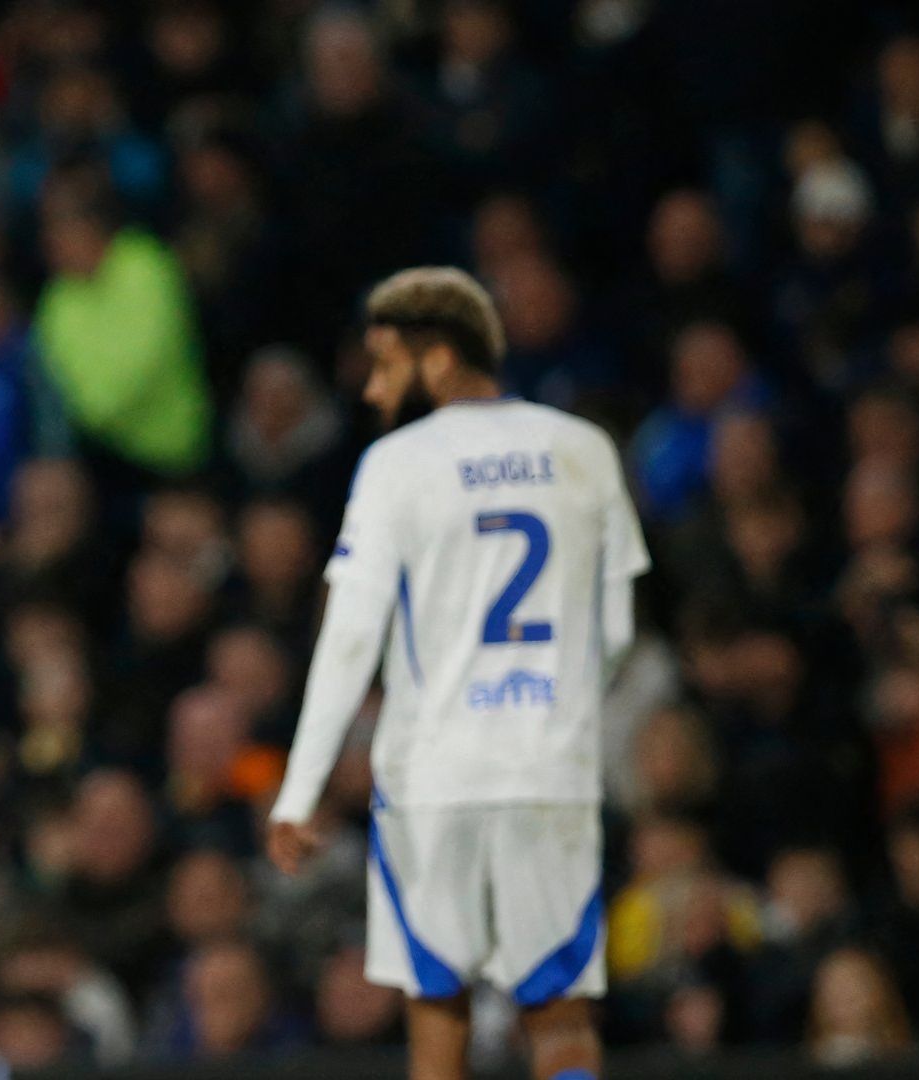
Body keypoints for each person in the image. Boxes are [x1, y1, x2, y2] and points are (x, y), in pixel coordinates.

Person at [267, 267, 650, 1080]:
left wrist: (300, 791)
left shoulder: (396, 464)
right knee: (561, 1019)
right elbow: (615, 630)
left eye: (385, 365)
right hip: (548, 766)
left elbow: (349, 638)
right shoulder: (583, 449)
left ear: (437, 358)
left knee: (436, 1016)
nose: (372, 390)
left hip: (433, 775)